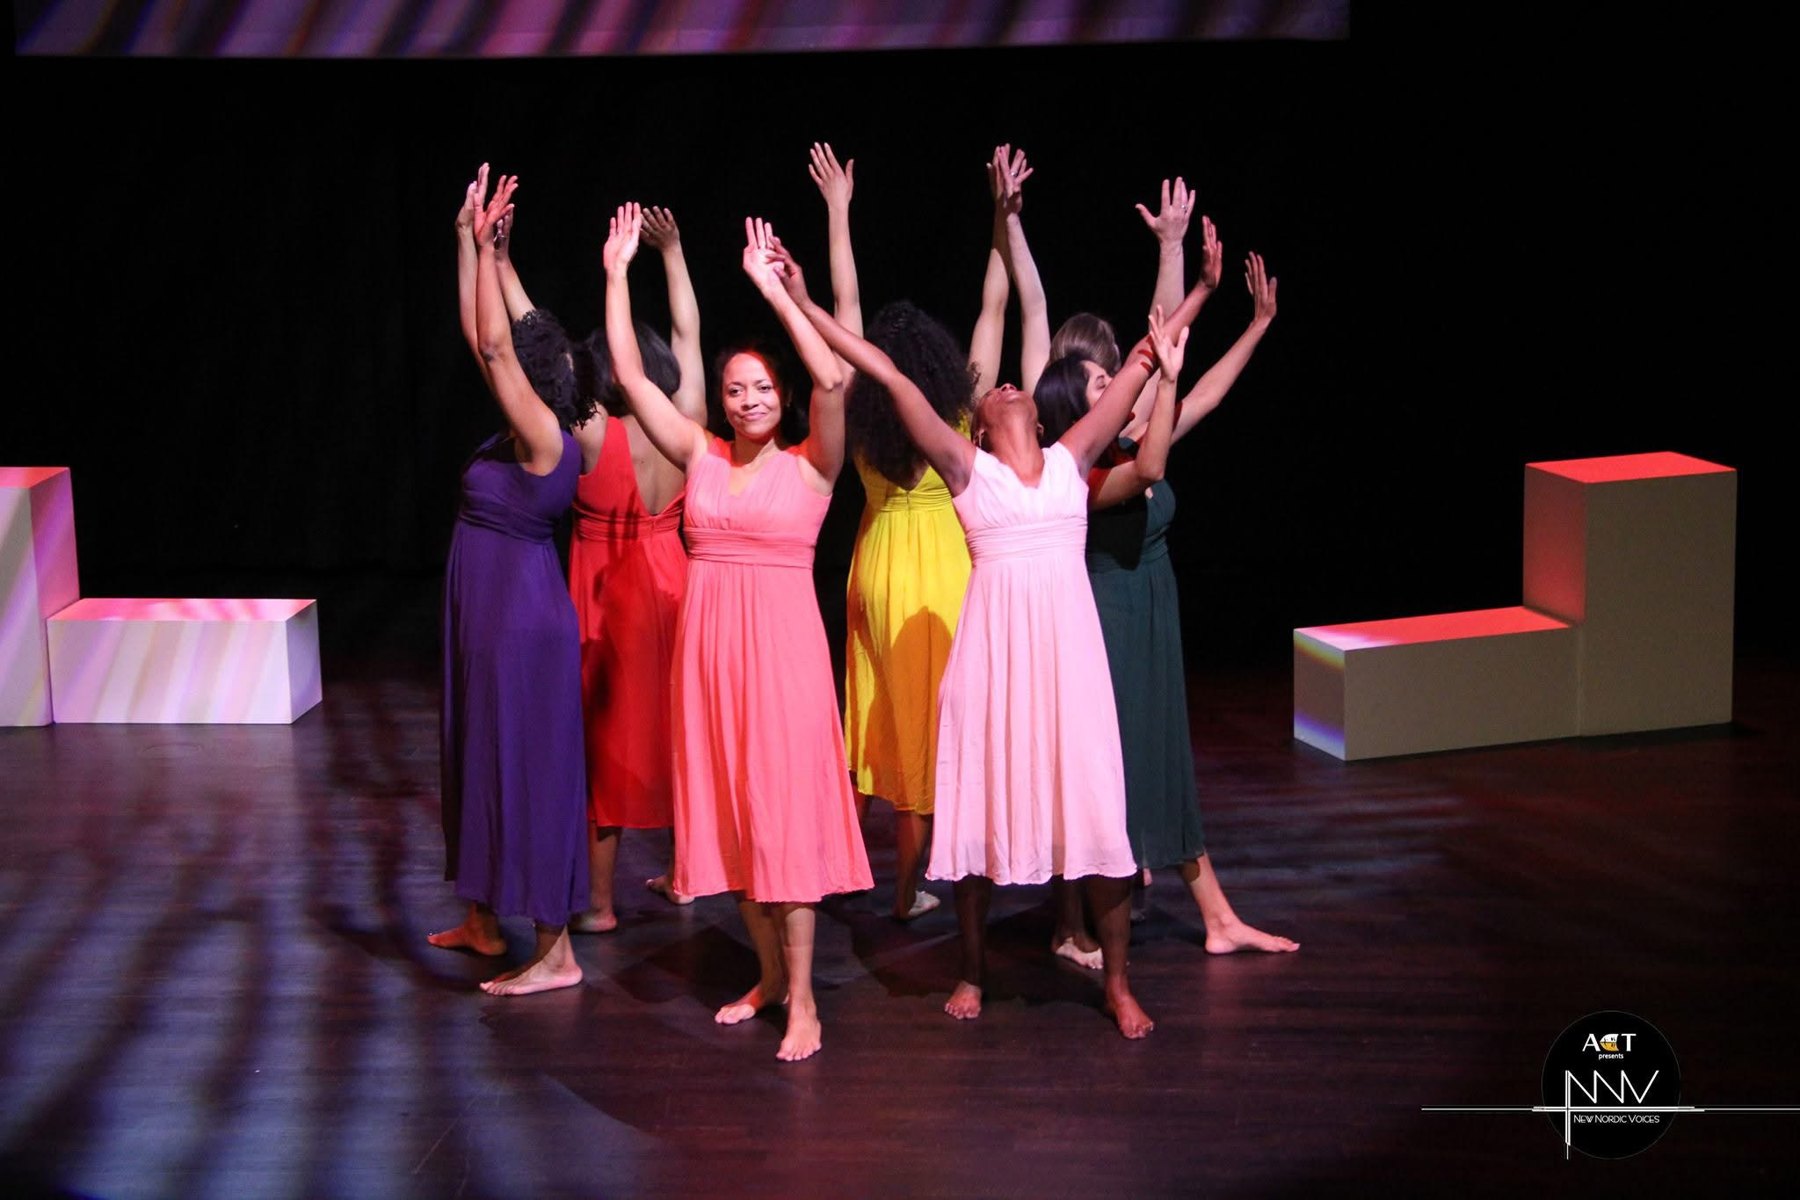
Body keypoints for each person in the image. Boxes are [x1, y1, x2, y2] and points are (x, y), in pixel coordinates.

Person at [793, 234, 1217, 1038]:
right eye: (996, 392)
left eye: (1019, 386)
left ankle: (1120, 984)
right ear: (982, 424)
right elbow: (883, 372)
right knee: (978, 812)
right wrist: (808, 305)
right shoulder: (964, 467)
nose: (1012, 386)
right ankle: (972, 968)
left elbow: (1141, 356)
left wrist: (1200, 287)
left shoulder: (1072, 457)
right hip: (990, 667)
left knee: (1097, 817)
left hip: (1069, 668)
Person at [603, 204, 872, 1062]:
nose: (749, 399)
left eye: (762, 387)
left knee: (785, 829)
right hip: (711, 664)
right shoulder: (701, 455)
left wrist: (775, 291)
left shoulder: (813, 467)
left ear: (778, 397)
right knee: (735, 828)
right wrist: (616, 275)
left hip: (785, 665)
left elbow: (835, 383)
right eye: (735, 389)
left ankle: (805, 1003)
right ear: (720, 401)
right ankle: (766, 977)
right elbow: (634, 381)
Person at [1037, 240, 1298, 956]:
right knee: (1112, 768)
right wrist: (1171, 368)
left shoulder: (1126, 441)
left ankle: (1213, 917)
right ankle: (1074, 923)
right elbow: (1155, 454)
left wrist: (1256, 323)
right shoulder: (1080, 476)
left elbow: (1206, 392)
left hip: (1154, 608)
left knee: (1160, 756)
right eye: (1101, 383)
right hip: (1109, 622)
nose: (1115, 387)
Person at [490, 204, 705, 930]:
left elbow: (539, 349)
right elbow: (690, 333)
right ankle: (686, 873)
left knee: (603, 746)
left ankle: (603, 905)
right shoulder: (687, 422)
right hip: (675, 585)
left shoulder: (591, 430)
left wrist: (501, 264)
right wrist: (673, 257)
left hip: (603, 593)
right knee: (676, 730)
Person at [812, 142, 999, 920]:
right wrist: (1001, 219)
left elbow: (843, 310)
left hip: (876, 567)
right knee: (929, 728)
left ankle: (858, 871)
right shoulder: (957, 414)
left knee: (879, 720)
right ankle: (911, 888)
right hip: (942, 574)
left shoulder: (862, 408)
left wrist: (838, 211)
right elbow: (994, 311)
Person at [429, 165, 589, 996]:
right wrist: (469, 242)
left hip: (522, 625)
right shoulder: (518, 429)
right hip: (485, 614)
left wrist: (494, 256)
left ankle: (556, 952)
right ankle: (484, 919)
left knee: (526, 766)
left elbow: (492, 343)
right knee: (481, 756)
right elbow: (479, 337)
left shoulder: (550, 439)